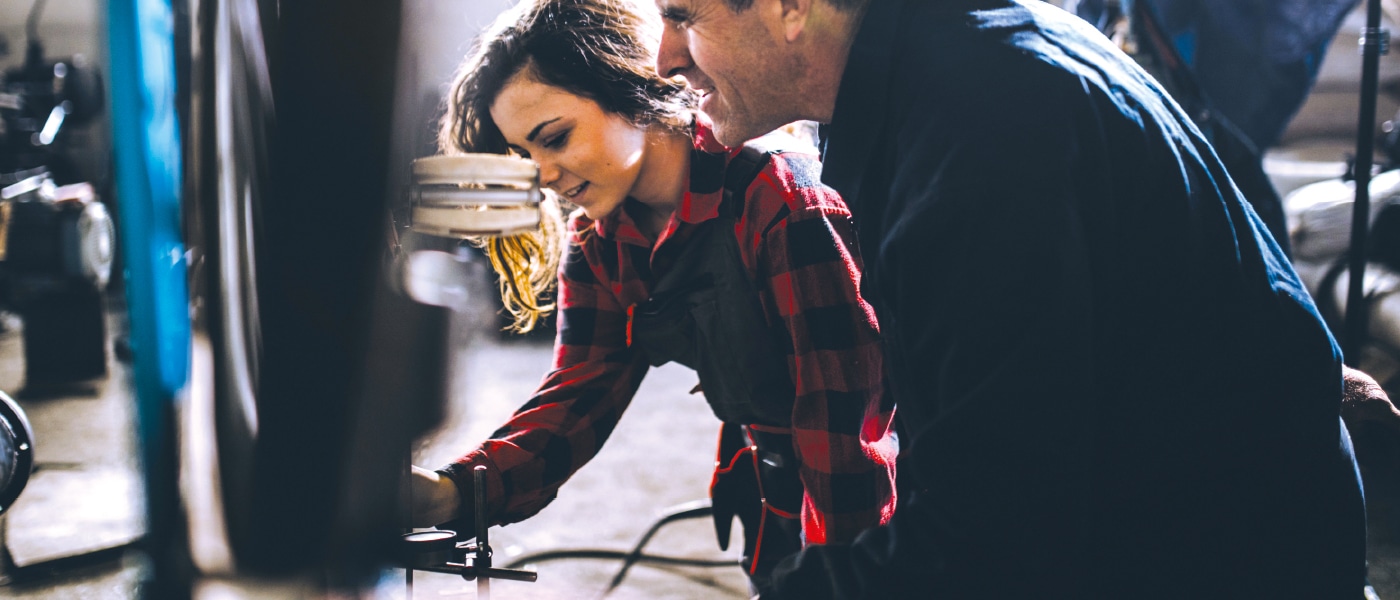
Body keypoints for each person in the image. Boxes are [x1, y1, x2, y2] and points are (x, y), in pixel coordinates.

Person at [652, 0, 1399, 597]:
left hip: (1216, 558)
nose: (665, 57)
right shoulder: (961, 53)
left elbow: (992, 542)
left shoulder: (976, 143)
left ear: (791, 7)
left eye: (685, 15)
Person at [408, 0, 897, 589]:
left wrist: (839, 578)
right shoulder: (600, 237)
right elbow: (579, 390)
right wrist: (453, 493)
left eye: (555, 138)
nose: (543, 177)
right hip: (771, 483)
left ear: (628, 87)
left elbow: (845, 434)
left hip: (880, 500)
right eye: (522, 156)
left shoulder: (782, 204)